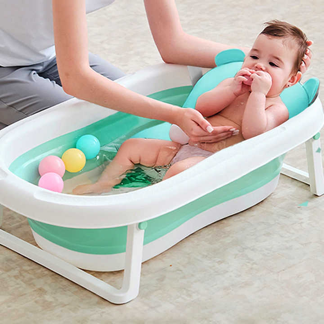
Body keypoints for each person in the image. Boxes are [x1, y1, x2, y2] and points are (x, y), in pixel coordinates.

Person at [0, 1, 311, 145]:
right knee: (89, 126)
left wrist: (268, 62)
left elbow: (173, 44)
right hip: (5, 65)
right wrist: (174, 114)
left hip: (49, 51)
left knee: (130, 115)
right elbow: (77, 78)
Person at [72, 20, 310, 195]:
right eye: (254, 56)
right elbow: (202, 107)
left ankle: (149, 202)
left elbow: (254, 132)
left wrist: (258, 94)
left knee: (179, 172)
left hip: (213, 161)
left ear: (290, 81)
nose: (259, 66)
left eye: (272, 64)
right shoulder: (232, 84)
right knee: (131, 146)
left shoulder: (276, 107)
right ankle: (105, 183)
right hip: (182, 148)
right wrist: (231, 91)